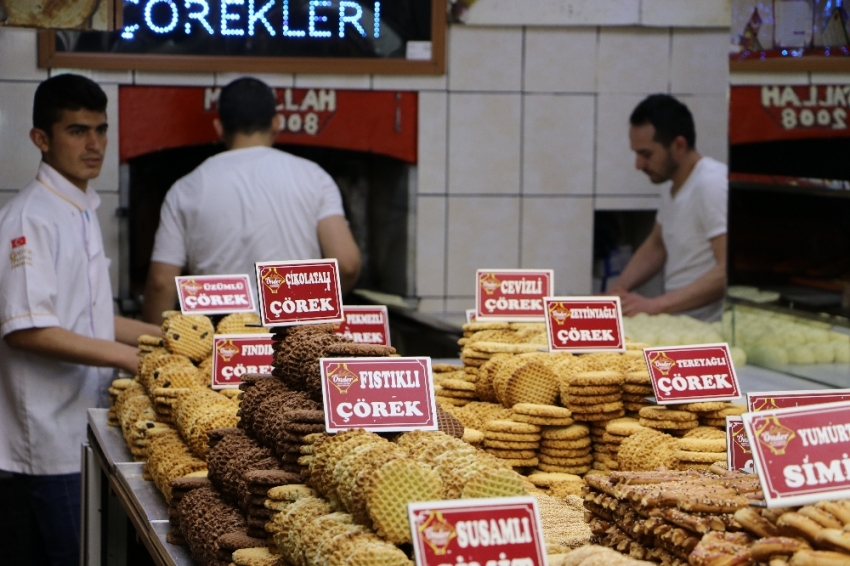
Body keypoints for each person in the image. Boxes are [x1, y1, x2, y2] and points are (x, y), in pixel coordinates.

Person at [0, 74, 160, 566]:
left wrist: (175, 339)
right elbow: (27, 328)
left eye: (101, 129)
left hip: (84, 432)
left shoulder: (82, 208)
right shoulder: (32, 217)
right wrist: (133, 359)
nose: (94, 145)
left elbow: (87, 317)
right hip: (46, 446)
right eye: (77, 131)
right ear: (41, 139)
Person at [142, 78, 361, 324]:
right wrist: (312, 304)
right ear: (276, 123)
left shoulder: (186, 188)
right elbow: (347, 264)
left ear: (219, 127)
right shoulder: (314, 177)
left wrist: (156, 346)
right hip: (295, 339)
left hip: (219, 342)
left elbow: (160, 283)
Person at [608, 94, 728, 322]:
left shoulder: (711, 184)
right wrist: (616, 294)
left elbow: (727, 272)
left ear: (679, 145)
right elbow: (656, 245)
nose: (638, 165)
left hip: (709, 330)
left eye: (646, 154)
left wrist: (654, 305)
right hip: (682, 322)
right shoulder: (672, 185)